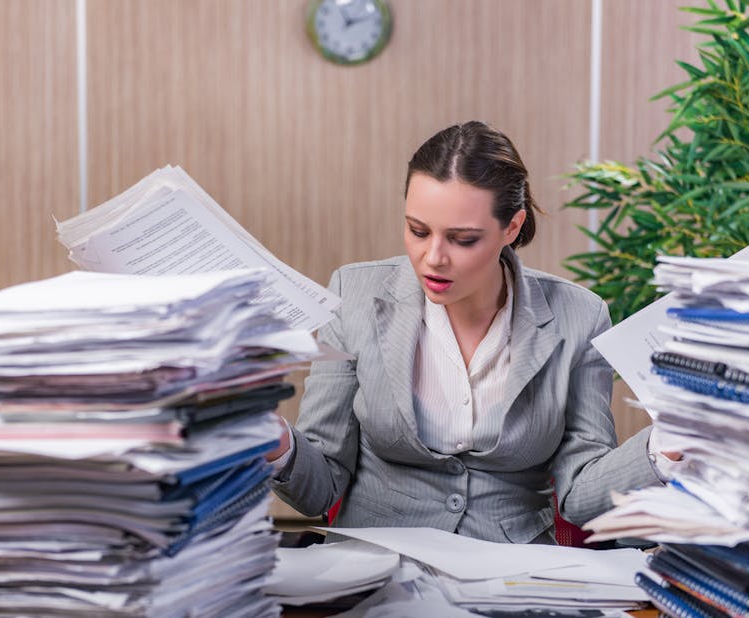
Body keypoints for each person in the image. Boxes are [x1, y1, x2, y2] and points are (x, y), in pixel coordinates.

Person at [268, 121, 677, 544]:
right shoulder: (353, 295)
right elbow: (319, 489)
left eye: (463, 239)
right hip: (376, 561)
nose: (433, 258)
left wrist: (663, 446)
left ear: (512, 228)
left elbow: (580, 495)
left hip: (514, 570)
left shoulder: (579, 315)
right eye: (417, 230)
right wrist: (276, 441)